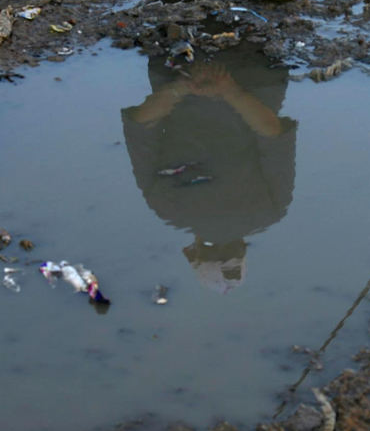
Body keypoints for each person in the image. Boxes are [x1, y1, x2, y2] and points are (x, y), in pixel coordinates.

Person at [121, 44, 297, 293]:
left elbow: (272, 131)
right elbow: (141, 121)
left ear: (242, 247)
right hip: (179, 69)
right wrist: (184, 86)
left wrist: (229, 90)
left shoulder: (271, 211)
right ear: (195, 250)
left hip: (259, 72)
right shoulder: (167, 209)